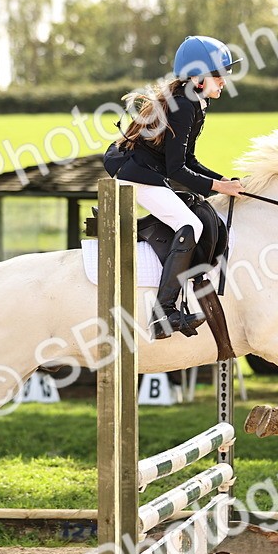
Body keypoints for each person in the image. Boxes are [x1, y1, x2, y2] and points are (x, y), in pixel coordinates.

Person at [106, 35, 246, 339]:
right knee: (189, 224)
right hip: (138, 176)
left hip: (151, 172)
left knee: (194, 215)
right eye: (219, 74)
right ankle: (164, 313)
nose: (224, 81)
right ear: (198, 78)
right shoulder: (184, 106)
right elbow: (176, 170)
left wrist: (223, 182)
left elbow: (188, 159)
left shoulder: (195, 102)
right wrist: (220, 188)